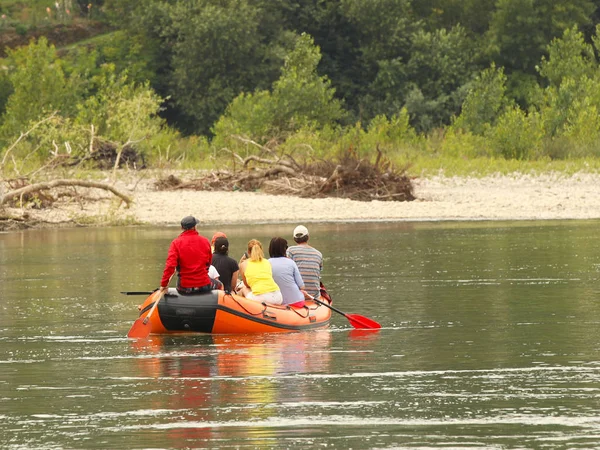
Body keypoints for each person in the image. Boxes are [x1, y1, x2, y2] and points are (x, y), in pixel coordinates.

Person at [160, 216, 219, 295]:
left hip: (183, 287)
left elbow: (170, 266)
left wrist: (164, 284)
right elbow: (208, 263)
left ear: (182, 227)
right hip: (204, 285)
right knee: (220, 285)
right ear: (195, 227)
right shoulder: (205, 241)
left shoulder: (176, 243)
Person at [239, 239, 283, 305]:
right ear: (261, 250)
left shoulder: (244, 264)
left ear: (248, 252)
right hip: (277, 297)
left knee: (244, 289)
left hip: (260, 298)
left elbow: (247, 285)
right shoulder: (267, 262)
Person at [268, 237, 307, 308]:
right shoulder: (291, 262)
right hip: (296, 301)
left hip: (276, 303)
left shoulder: (266, 264)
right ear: (284, 249)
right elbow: (302, 286)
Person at [286, 225, 323, 299]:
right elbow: (319, 271)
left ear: (294, 239)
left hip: (296, 295)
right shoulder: (318, 254)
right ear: (308, 237)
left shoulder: (290, 251)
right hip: (314, 296)